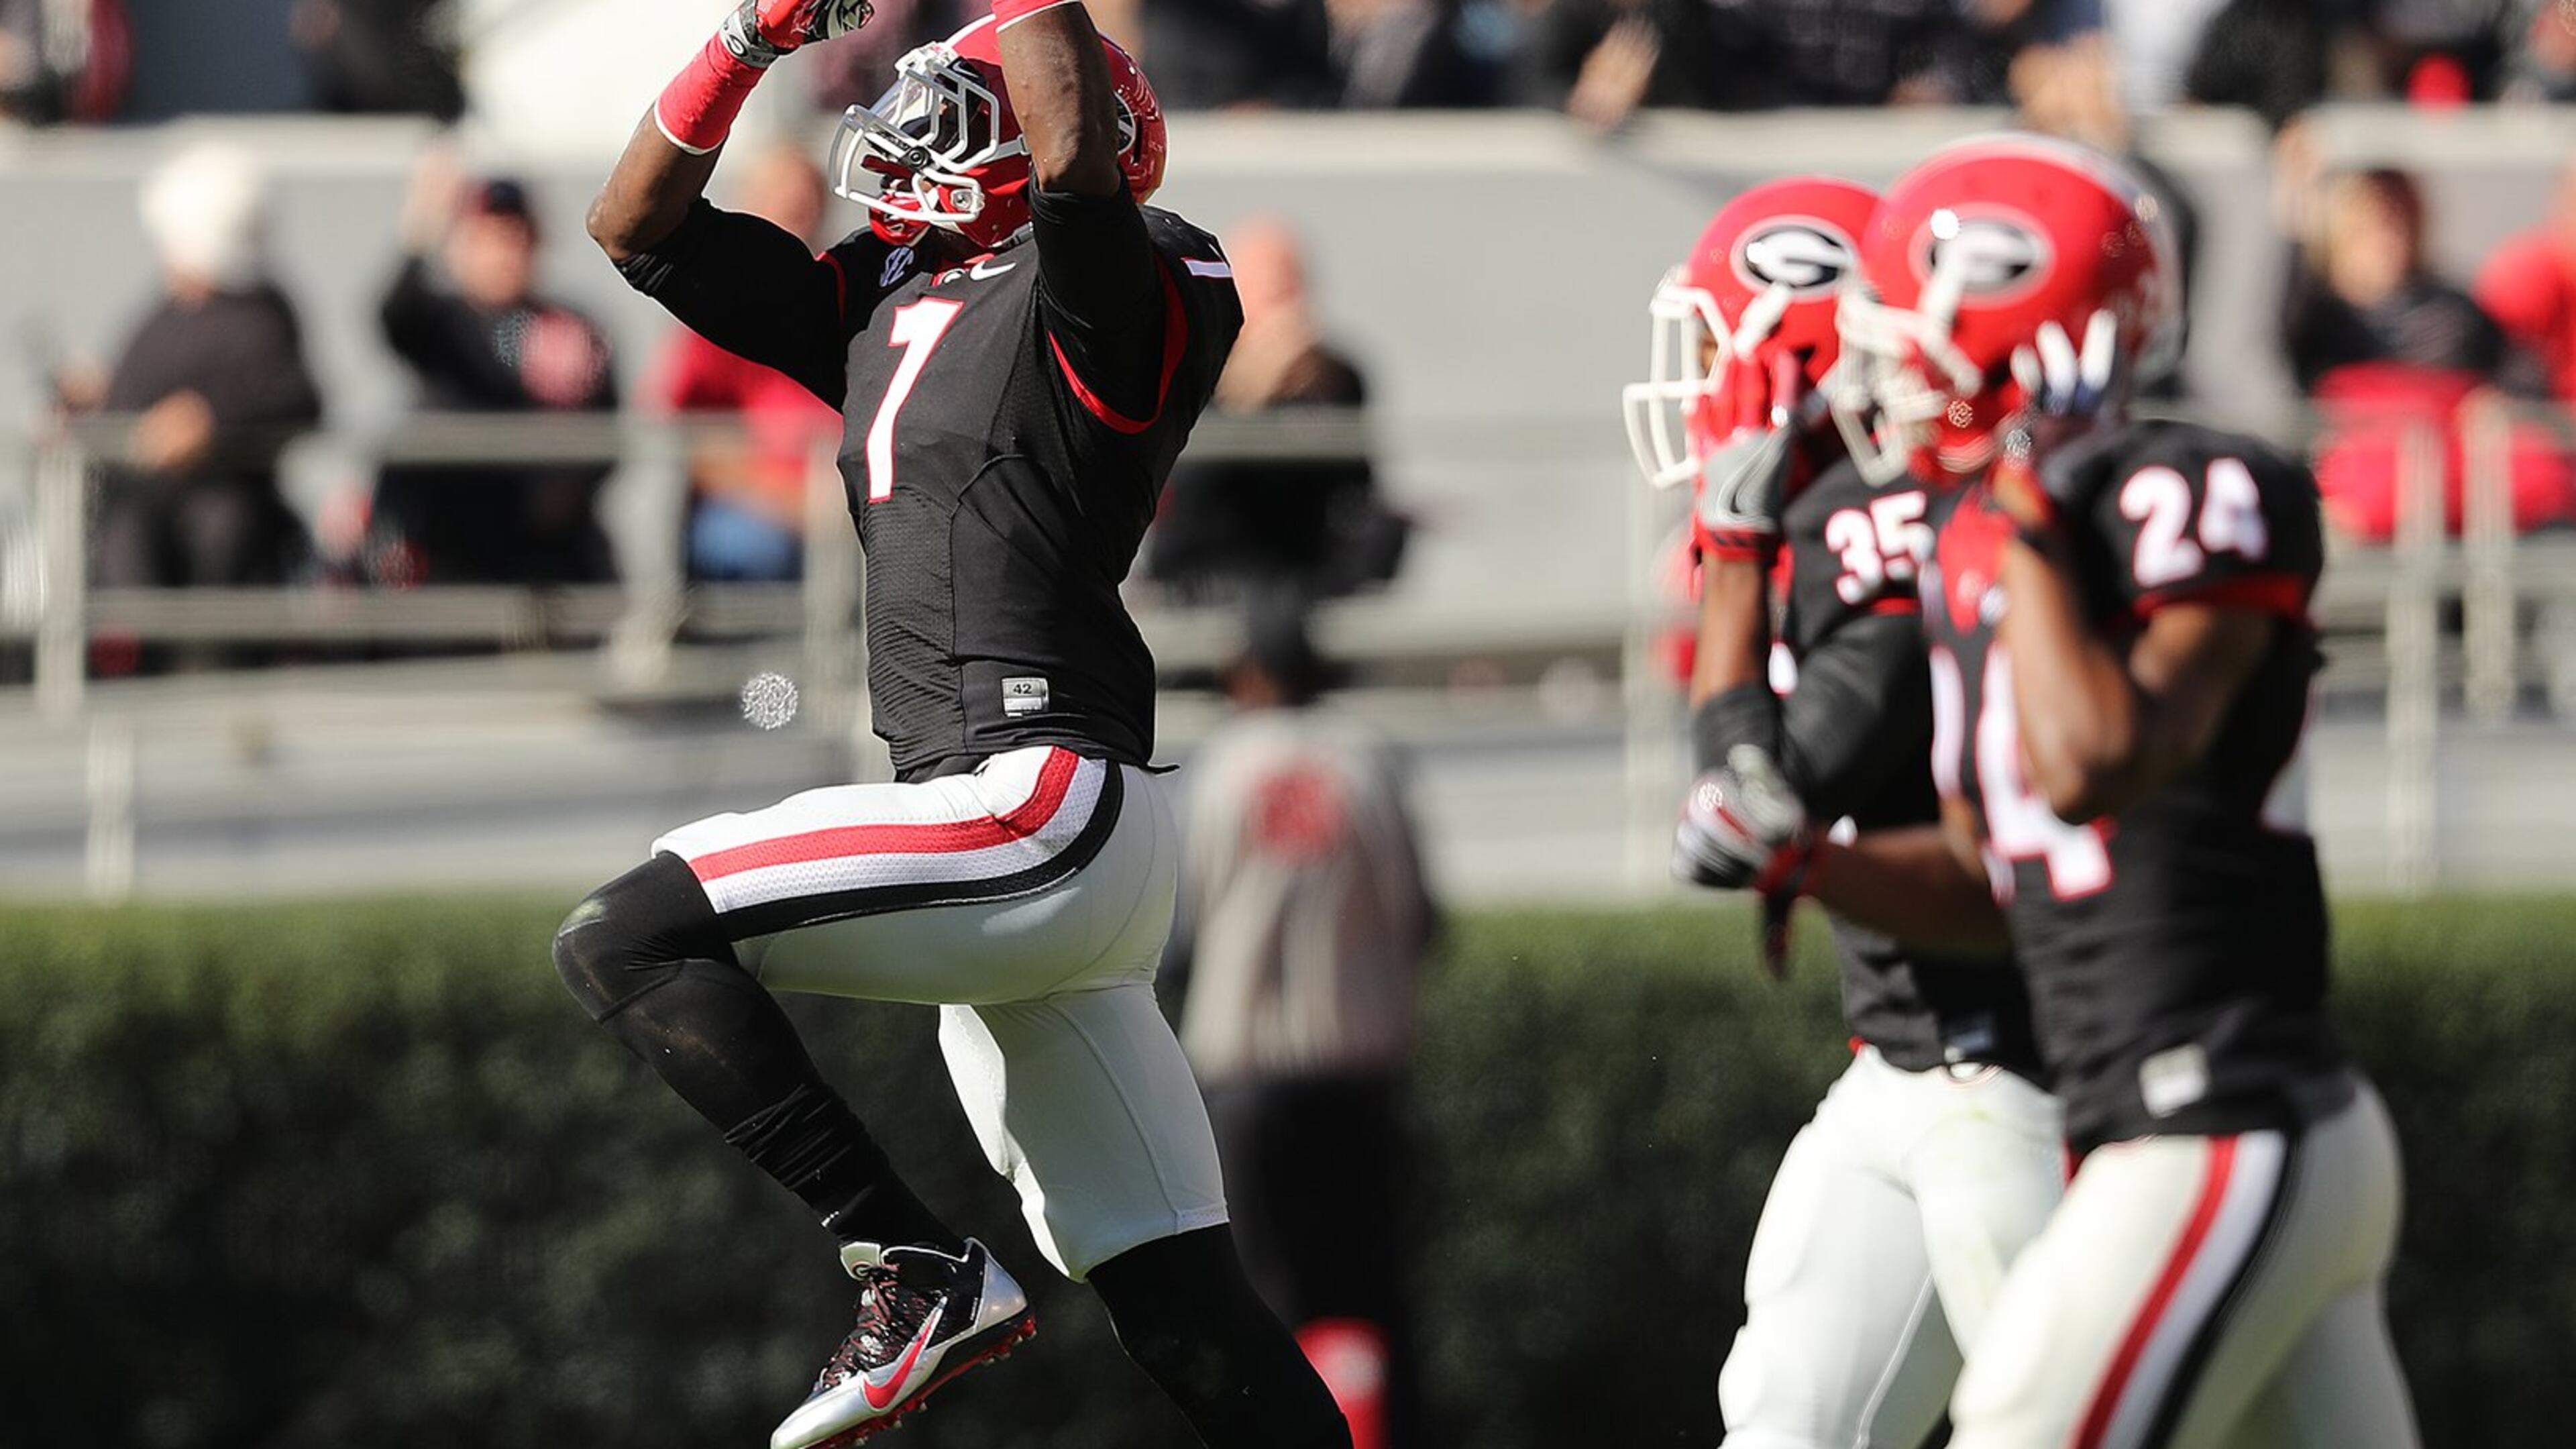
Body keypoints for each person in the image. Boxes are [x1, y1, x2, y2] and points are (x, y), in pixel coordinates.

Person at [560, 3, 1348, 1448]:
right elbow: (635, 225)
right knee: (1184, 1305)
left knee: (625, 933)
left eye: (957, 103)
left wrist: (1046, 37)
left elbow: (1070, 161)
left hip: (1037, 801)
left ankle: (907, 1261)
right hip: (1012, 837)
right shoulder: (883, 294)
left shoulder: (1128, 279)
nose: (915, 127)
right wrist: (748, 37)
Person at [1686, 134, 2420, 1447]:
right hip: (2168, 1121)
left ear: (2012, 332)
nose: (1884, 370)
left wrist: (2036, 510)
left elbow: (2095, 765)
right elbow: (1994, 881)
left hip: (2224, 1116)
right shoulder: (1979, 540)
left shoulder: (2193, 486)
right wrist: (1811, 865)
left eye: (1907, 331)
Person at [1637, 176, 2061, 1448]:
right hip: (1906, 1063)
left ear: (1785, 354)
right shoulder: (1858, 517)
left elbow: (1761, 795)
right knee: (1786, 1422)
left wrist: (1734, 550)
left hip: (2019, 1076)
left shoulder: (1867, 531)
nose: (1696, 375)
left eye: (1714, 342)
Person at [1166, 598, 1438, 1449]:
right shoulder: (1371, 761)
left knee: (1259, 1302)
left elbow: (1175, 943)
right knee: (1371, 1299)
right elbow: (1424, 921)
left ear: (1246, 678)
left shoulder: (1216, 767)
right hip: (1357, 1070)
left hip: (1246, 1080)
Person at [374, 154, 619, 587]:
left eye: (515, 236)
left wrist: (571, 484)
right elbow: (395, 315)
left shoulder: (570, 327)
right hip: (451, 543)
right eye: (489, 237)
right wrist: (422, 227)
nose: (504, 252)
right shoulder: (442, 321)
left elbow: (608, 428)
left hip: (545, 548)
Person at [90, 142, 322, 596]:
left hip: (210, 529)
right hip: (139, 509)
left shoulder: (260, 316)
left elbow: (294, 394)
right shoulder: (176, 310)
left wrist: (210, 416)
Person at [1144, 218, 1403, 603]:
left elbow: (1355, 487)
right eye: (1274, 293)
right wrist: (1247, 398)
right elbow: (1182, 499)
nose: (1288, 312)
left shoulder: (1337, 376)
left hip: (1303, 569)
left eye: (1294, 289)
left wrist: (1319, 400)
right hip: (1212, 568)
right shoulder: (1197, 364)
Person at [651, 145, 843, 582]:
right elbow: (694, 439)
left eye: (806, 199)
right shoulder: (715, 305)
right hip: (756, 508)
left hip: (840, 497)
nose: (797, 210)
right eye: (780, 198)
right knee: (748, 545)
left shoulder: (843, 291)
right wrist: (795, 502)